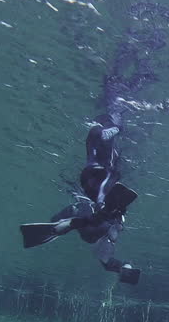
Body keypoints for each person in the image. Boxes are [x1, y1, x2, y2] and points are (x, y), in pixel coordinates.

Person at [19, 117, 141, 285]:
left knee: (100, 168)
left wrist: (123, 267)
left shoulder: (94, 224)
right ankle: (110, 129)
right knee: (102, 171)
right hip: (92, 202)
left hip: (91, 198)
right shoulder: (100, 226)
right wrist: (123, 266)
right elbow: (106, 260)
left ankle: (110, 129)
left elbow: (106, 261)